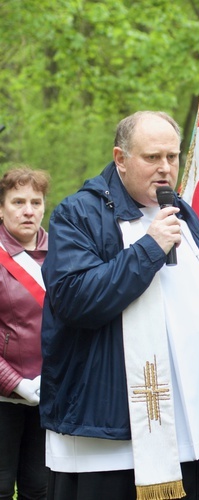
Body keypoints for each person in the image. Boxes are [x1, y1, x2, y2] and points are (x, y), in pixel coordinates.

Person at [40, 111, 199, 500]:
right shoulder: (78, 214)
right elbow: (74, 299)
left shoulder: (182, 211)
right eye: (152, 158)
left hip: (193, 418)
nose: (165, 168)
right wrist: (148, 250)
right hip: (111, 421)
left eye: (172, 156)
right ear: (120, 158)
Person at [0, 167, 50, 500]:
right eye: (18, 202)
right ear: (1, 208)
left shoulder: (65, 253)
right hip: (3, 397)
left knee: (40, 487)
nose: (28, 210)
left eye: (36, 201)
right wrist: (15, 383)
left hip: (51, 394)